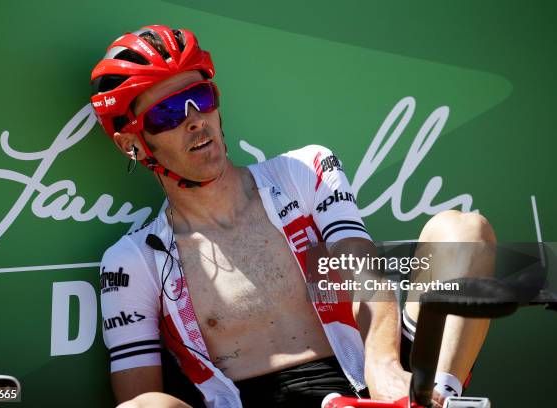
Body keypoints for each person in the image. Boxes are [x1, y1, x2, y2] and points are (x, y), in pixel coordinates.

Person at [90, 25, 496, 408]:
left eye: (202, 97)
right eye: (168, 113)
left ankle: (437, 400)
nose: (195, 118)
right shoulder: (133, 262)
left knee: (461, 231)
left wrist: (385, 367)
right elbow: (138, 397)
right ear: (134, 144)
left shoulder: (304, 171)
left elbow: (362, 271)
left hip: (365, 385)